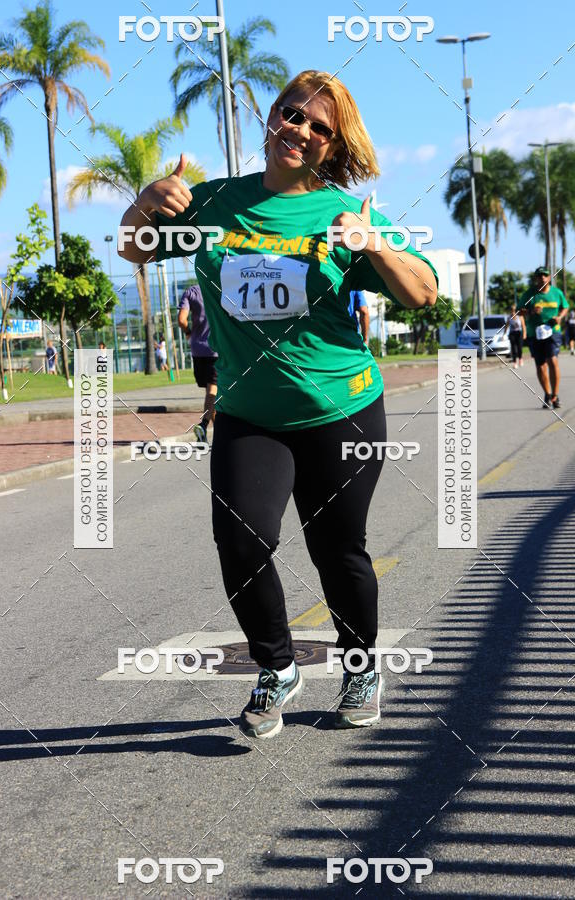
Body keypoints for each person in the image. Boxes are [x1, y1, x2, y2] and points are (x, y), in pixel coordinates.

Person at [118, 69, 437, 738]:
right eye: (293, 115)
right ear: (272, 118)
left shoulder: (343, 213)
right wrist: (146, 201)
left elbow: (423, 293)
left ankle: (361, 667)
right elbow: (135, 250)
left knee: (337, 549)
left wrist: (373, 243)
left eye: (321, 128)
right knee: (240, 540)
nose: (302, 130)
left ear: (333, 146)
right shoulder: (212, 203)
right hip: (248, 412)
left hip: (340, 410)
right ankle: (276, 666)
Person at [517, 266, 569, 408]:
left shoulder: (556, 293)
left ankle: (555, 396)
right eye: (539, 276)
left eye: (545, 275)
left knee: (552, 360)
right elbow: (519, 312)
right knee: (541, 366)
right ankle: (547, 394)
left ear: (549, 277)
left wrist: (559, 317)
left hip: (553, 331)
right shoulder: (529, 294)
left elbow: (565, 307)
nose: (542, 278)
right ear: (535, 278)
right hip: (535, 333)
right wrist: (531, 311)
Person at [177, 283, 218, 443]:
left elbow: (181, 320)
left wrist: (189, 333)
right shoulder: (219, 287)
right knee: (212, 392)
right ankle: (204, 424)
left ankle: (217, 435)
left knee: (211, 392)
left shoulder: (191, 292)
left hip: (197, 350)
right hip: (216, 348)